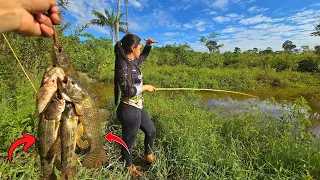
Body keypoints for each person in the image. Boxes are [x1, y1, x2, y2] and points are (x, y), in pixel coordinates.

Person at [114, 34, 157, 177]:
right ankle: (127, 166)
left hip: (138, 105)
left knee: (150, 131)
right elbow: (127, 91)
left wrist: (148, 45)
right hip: (129, 108)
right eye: (139, 46)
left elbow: (143, 56)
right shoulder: (123, 63)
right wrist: (144, 87)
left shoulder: (133, 61)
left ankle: (147, 154)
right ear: (133, 48)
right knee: (129, 141)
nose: (140, 49)